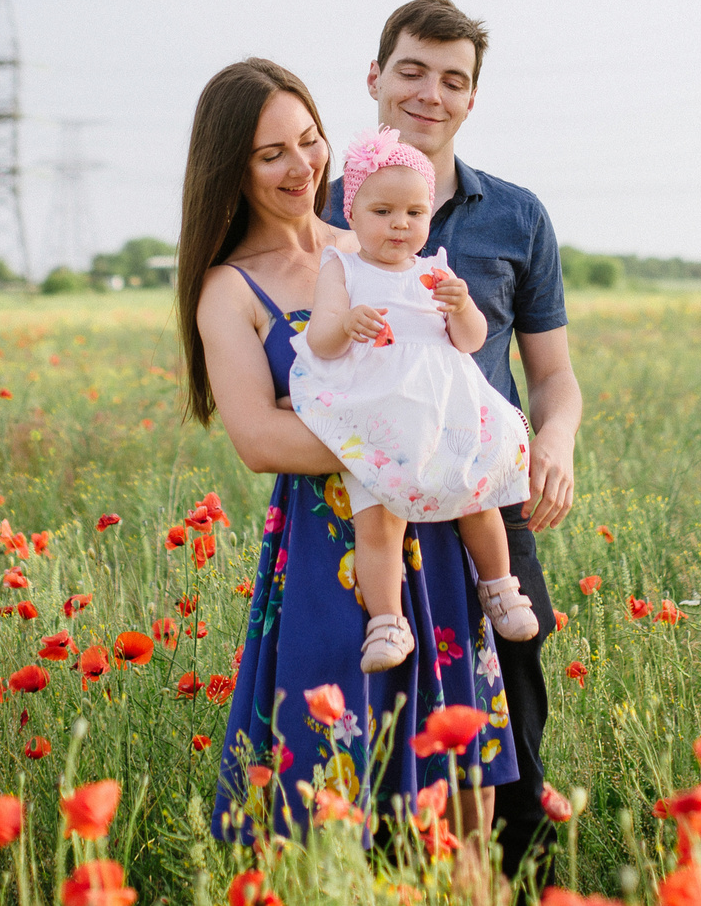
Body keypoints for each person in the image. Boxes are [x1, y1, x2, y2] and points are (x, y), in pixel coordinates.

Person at [178, 58, 518, 846]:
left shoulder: (378, 239)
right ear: (232, 168)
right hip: (329, 552)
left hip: (435, 530)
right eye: (272, 154)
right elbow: (260, 438)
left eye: (309, 139)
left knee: (461, 804)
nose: (303, 167)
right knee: (328, 792)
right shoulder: (228, 289)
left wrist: (351, 418)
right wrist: (398, 438)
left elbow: (454, 373)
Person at [326, 0, 583, 880]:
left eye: (453, 79)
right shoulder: (319, 215)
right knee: (377, 727)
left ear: (472, 99)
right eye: (412, 69)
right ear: (375, 77)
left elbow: (553, 374)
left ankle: (517, 885)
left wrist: (557, 442)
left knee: (510, 705)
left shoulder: (514, 216)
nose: (430, 92)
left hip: (485, 492)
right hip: (364, 503)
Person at [292, 126, 538, 672]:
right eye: (381, 212)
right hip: (377, 411)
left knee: (478, 497)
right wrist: (347, 323)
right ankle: (386, 621)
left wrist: (461, 305)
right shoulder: (344, 268)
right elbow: (319, 340)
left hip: (442, 411)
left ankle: (499, 587)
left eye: (414, 212)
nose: (400, 224)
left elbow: (470, 342)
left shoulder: (436, 270)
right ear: (350, 215)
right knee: (377, 517)